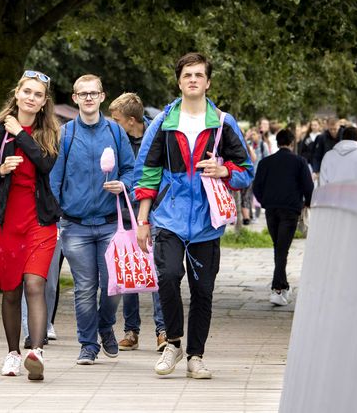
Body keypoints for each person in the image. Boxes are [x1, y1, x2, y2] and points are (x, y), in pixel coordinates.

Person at [134, 52, 253, 379]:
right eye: (188, 74)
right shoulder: (163, 122)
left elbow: (246, 172)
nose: (193, 80)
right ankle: (172, 342)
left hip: (207, 221)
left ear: (208, 82)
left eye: (199, 75)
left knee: (203, 291)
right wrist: (143, 220)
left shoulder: (223, 122)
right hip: (169, 217)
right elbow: (147, 172)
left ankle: (195, 356)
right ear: (179, 81)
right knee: (168, 276)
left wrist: (223, 170)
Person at [0, 70, 62, 381]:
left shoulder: (51, 131)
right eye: (27, 91)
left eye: (37, 95)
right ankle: (13, 353)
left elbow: (46, 163)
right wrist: (0, 168)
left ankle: (35, 352)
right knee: (11, 291)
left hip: (40, 221)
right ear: (17, 94)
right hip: (6, 222)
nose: (31, 97)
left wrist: (21, 133)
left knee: (35, 284)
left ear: (43, 102)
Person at [49, 74, 135, 366]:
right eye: (82, 93)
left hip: (111, 221)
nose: (88, 97)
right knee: (85, 287)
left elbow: (130, 170)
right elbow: (54, 179)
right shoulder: (65, 134)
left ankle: (105, 324)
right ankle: (88, 344)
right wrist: (58, 212)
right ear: (75, 98)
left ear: (102, 96)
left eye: (93, 93)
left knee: (114, 285)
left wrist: (123, 184)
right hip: (75, 225)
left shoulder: (115, 132)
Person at [108, 92, 167, 352]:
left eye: (117, 119)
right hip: (124, 213)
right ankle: (131, 330)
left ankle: (163, 329)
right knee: (130, 268)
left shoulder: (157, 137)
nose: (113, 123)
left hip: (153, 211)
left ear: (131, 120)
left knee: (156, 271)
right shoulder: (115, 139)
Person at [252, 129, 314, 306]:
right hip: (290, 210)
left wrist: (265, 202)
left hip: (271, 209)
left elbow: (257, 187)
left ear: (278, 142)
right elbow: (308, 186)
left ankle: (283, 286)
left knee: (278, 247)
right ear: (292, 142)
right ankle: (277, 289)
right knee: (282, 249)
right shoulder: (299, 162)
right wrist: (307, 202)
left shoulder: (266, 162)